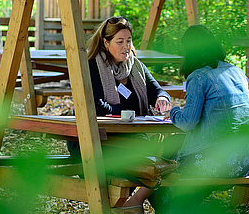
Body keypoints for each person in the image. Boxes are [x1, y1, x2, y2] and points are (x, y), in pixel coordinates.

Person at [114, 25, 249, 214]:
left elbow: (188, 122)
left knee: (163, 168)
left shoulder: (198, 77)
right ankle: (137, 203)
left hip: (220, 159)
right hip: (247, 158)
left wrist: (170, 111)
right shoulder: (237, 72)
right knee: (169, 158)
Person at [66, 16, 172, 165]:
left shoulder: (136, 66)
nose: (126, 46)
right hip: (93, 141)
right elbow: (95, 106)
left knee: (164, 154)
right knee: (150, 158)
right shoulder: (92, 66)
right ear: (106, 42)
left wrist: (162, 98)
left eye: (128, 41)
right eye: (120, 42)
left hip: (127, 137)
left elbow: (157, 90)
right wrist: (125, 113)